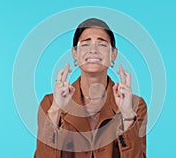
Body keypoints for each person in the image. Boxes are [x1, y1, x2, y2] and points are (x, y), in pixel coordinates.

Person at [34, 18, 147, 158]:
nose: (93, 50)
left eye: (102, 44)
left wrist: (127, 116)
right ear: (75, 53)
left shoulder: (136, 106)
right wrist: (56, 110)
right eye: (86, 44)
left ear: (113, 54)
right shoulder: (50, 104)